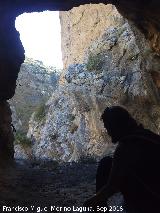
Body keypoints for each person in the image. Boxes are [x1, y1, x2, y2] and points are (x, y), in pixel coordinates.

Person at [84, 106, 160, 213]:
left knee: (105, 164)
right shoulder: (147, 135)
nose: (108, 133)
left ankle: (101, 210)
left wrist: (91, 202)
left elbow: (112, 186)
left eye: (108, 128)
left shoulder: (125, 147)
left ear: (116, 126)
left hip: (152, 201)